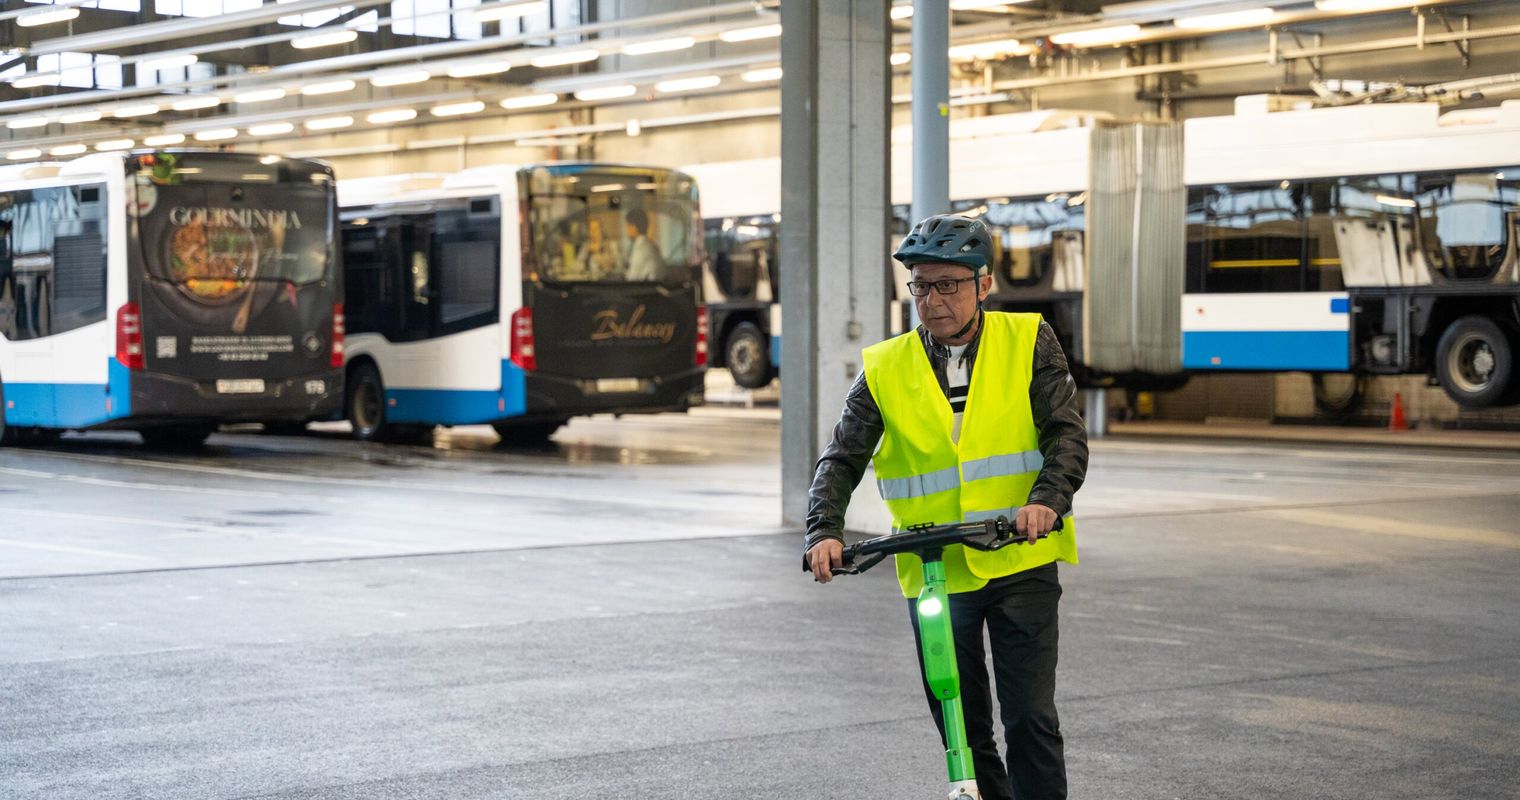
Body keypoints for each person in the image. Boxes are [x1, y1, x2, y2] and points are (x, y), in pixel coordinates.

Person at [804, 214, 1088, 800]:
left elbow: (1066, 435)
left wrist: (1046, 502)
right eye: (921, 286)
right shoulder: (885, 367)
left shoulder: (1029, 340)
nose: (932, 300)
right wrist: (822, 532)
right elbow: (841, 456)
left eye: (948, 285)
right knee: (961, 727)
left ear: (984, 285)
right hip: (934, 570)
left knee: (1030, 719)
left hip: (1019, 558)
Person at [622, 208, 667, 282]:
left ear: (635, 227)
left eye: (628, 225)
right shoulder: (649, 245)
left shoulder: (641, 249)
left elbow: (632, 279)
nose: (626, 229)